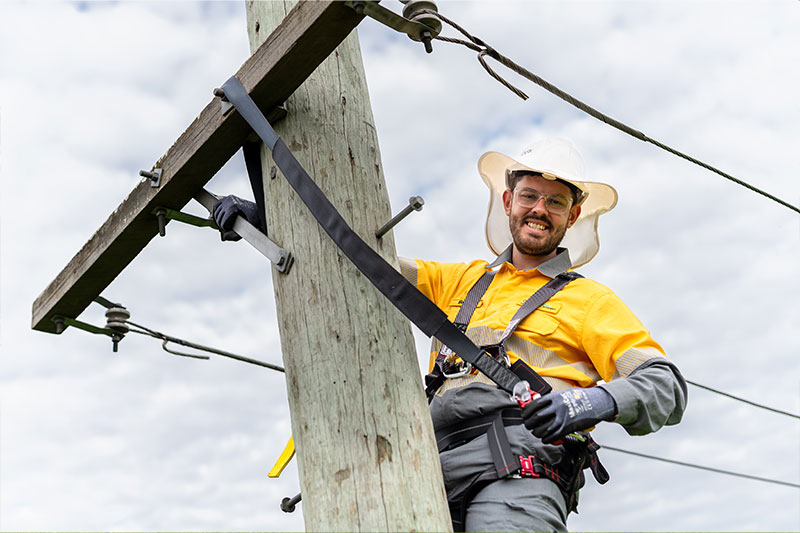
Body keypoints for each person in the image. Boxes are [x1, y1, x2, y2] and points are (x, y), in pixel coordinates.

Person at [212, 137, 687, 533]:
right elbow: (357, 262)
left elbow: (664, 385)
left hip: (516, 470)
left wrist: (585, 403)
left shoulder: (591, 300)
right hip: (426, 470)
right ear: (509, 202)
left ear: (573, 214)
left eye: (556, 201)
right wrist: (274, 220)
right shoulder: (459, 281)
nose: (540, 210)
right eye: (529, 196)